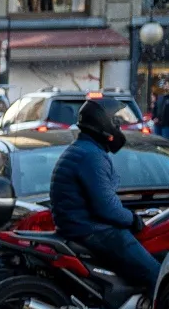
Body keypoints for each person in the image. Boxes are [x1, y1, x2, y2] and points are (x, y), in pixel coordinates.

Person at [49, 97, 162, 292]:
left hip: (76, 226)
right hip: (92, 230)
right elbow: (107, 208)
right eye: (117, 123)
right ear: (104, 124)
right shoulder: (91, 156)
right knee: (158, 275)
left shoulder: (82, 150)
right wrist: (133, 219)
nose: (119, 129)